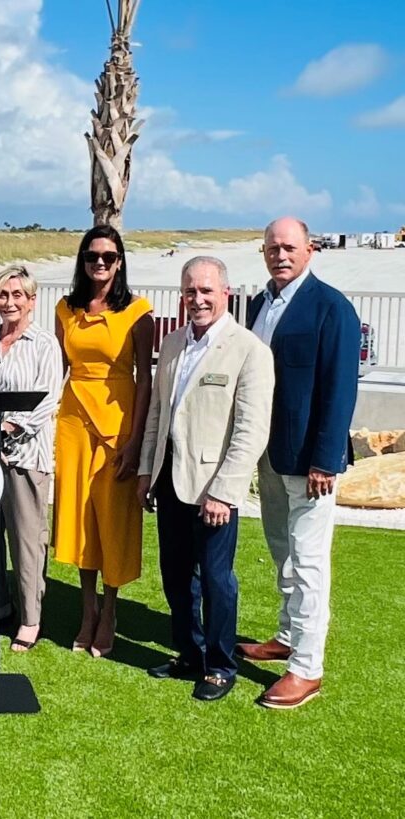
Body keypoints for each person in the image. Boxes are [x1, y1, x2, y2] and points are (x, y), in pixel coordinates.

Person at [137, 257, 274, 701]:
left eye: (206, 292)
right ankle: (189, 654)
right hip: (169, 479)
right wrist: (145, 471)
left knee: (217, 579)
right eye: (190, 292)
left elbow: (250, 429)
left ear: (225, 294)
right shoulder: (174, 343)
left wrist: (225, 490)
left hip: (213, 487)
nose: (197, 300)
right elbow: (158, 413)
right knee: (176, 577)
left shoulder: (248, 349)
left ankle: (219, 664)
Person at [237, 217, 360, 710]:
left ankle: (307, 667)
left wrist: (325, 461)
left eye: (289, 247)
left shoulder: (333, 308)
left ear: (310, 250)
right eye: (271, 248)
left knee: (309, 563)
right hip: (267, 455)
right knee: (282, 552)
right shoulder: (259, 304)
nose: (280, 255)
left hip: (311, 463)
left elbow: (340, 390)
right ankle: (287, 636)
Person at [52, 225, 154, 657]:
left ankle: (110, 610)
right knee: (78, 517)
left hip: (118, 423)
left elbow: (145, 380)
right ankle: (87, 609)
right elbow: (56, 368)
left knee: (113, 519)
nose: (100, 263)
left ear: (120, 261)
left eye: (109, 257)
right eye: (92, 256)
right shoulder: (65, 308)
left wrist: (136, 443)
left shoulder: (138, 311)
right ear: (82, 259)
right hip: (73, 420)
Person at [0, 265, 63, 652]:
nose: (9, 302)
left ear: (32, 300)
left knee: (26, 539)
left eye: (17, 295)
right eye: (3, 295)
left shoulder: (43, 344)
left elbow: (47, 401)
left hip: (25, 456)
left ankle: (29, 617)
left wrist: (4, 431)